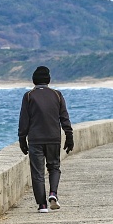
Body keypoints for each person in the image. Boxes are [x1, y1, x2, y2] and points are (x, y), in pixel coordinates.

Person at [18, 66, 74, 213]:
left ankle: (42, 205)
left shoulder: (29, 96)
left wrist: (22, 139)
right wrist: (69, 136)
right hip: (54, 138)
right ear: (48, 80)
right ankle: (53, 193)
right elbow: (64, 118)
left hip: (35, 139)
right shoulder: (57, 95)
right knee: (54, 167)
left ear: (34, 80)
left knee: (38, 173)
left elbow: (24, 120)